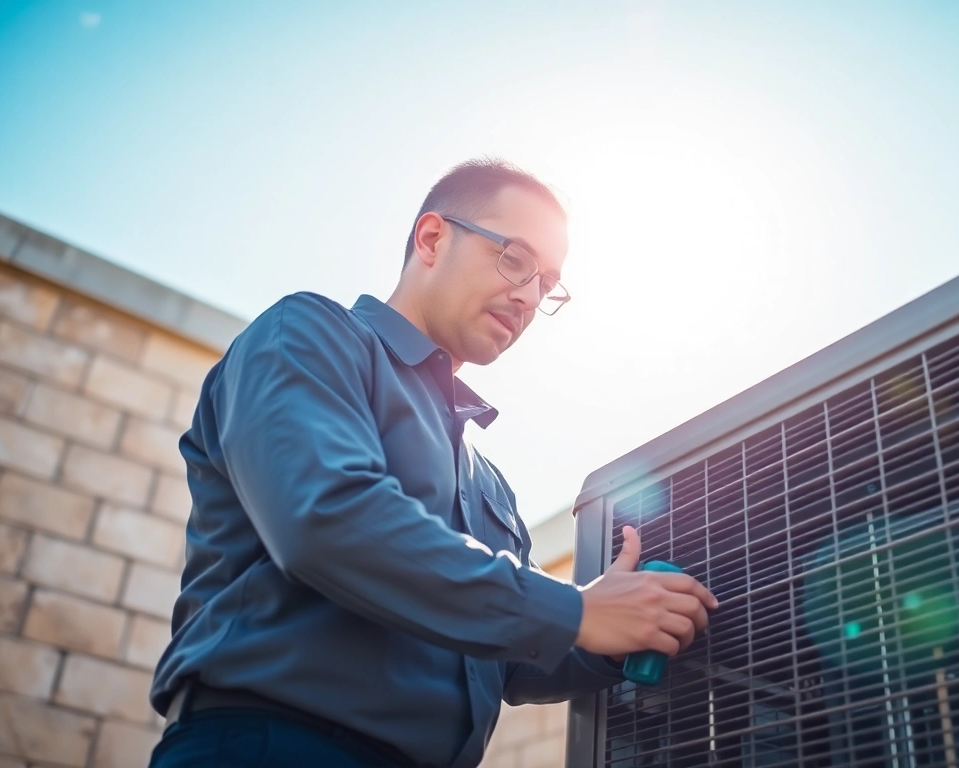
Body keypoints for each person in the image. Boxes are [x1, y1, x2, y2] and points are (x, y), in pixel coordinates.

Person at [147, 159, 719, 768]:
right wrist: (577, 610)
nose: (529, 295)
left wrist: (616, 633)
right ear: (431, 238)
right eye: (515, 259)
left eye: (546, 283)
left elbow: (505, 664)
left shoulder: (487, 480)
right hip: (273, 744)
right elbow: (327, 520)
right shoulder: (309, 334)